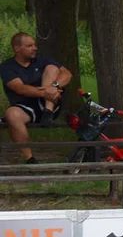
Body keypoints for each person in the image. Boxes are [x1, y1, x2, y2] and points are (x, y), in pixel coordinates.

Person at [1, 33, 72, 164]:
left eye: (34, 45)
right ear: (17, 48)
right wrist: (48, 91)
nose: (35, 48)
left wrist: (55, 86)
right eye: (29, 46)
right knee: (11, 114)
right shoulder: (7, 67)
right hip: (25, 107)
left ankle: (47, 113)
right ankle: (30, 159)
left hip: (50, 105)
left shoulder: (43, 59)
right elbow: (20, 88)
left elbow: (67, 74)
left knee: (52, 68)